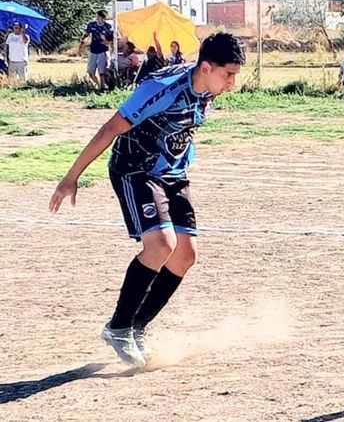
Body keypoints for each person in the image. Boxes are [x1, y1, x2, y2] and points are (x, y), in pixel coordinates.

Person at [49, 33, 246, 369]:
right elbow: (109, 129)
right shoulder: (163, 88)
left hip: (172, 173)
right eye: (228, 74)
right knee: (160, 244)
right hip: (134, 168)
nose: (231, 83)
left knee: (185, 256)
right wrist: (71, 177)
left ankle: (136, 327)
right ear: (207, 67)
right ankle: (119, 326)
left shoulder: (206, 89)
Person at [80, 10, 114, 90]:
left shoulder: (108, 27)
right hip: (93, 50)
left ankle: (102, 87)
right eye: (102, 18)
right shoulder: (91, 25)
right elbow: (86, 34)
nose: (103, 20)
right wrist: (83, 42)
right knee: (90, 71)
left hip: (103, 50)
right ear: (98, 17)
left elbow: (111, 40)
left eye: (105, 18)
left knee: (102, 71)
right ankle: (98, 84)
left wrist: (106, 41)